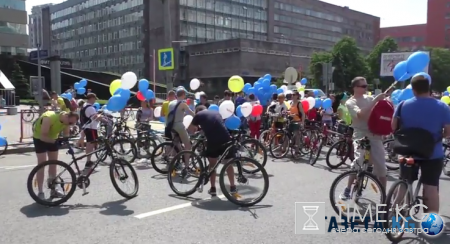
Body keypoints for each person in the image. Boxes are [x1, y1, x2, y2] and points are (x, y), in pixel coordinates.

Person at [391, 74, 450, 213]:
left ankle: (393, 210)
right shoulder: (442, 106)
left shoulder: (403, 105)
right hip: (432, 152)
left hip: (408, 150)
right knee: (430, 187)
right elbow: (448, 131)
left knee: (404, 181)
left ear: (413, 89)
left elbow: (393, 127)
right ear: (428, 88)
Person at [339, 77, 387, 200]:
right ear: (355, 87)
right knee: (358, 161)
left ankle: (384, 197)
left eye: (366, 86)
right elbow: (360, 115)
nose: (366, 88)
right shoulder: (351, 102)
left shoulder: (370, 99)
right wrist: (375, 100)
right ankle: (348, 189)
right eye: (363, 86)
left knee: (381, 167)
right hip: (360, 134)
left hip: (375, 135)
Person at [188, 105, 236, 196]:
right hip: (225, 138)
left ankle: (213, 188)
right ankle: (233, 187)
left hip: (213, 141)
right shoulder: (217, 113)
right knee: (228, 163)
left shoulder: (198, 115)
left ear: (197, 111)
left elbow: (191, 129)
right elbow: (216, 125)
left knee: (212, 164)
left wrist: (194, 131)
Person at [32, 110, 79, 200]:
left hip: (53, 138)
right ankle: (40, 191)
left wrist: (66, 140)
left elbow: (66, 134)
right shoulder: (49, 118)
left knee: (53, 164)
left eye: (72, 124)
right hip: (40, 138)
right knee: (41, 164)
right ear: (66, 117)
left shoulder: (66, 122)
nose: (70, 125)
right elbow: (43, 136)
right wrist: (56, 142)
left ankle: (54, 190)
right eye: (70, 123)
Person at [166, 88, 195, 166]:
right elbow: (191, 113)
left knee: (176, 143)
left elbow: (176, 114)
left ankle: (177, 161)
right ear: (183, 95)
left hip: (171, 125)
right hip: (179, 126)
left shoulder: (171, 103)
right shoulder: (182, 104)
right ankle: (187, 165)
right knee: (188, 145)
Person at [80, 93, 102, 174]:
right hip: (91, 128)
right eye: (94, 99)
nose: (95, 100)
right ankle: (88, 161)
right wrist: (104, 119)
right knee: (91, 144)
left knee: (91, 144)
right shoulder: (90, 108)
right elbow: (95, 117)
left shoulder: (84, 106)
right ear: (91, 98)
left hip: (87, 127)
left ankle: (89, 160)